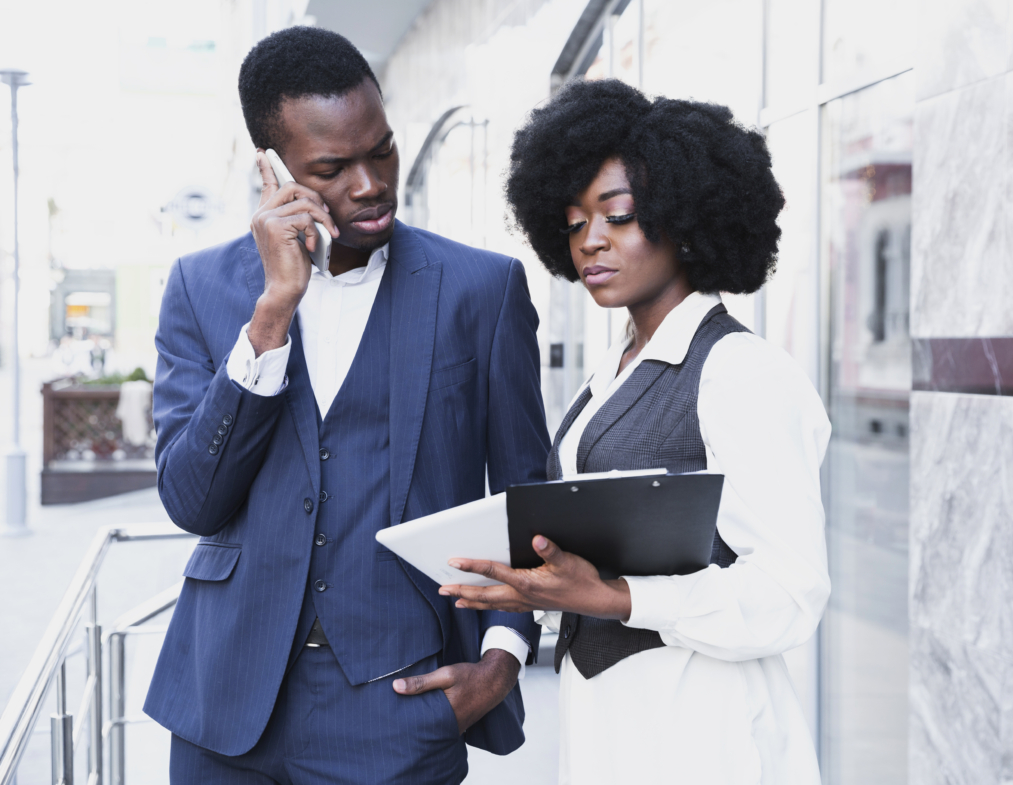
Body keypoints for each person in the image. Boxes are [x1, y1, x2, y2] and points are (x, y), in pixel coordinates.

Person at [144, 27, 550, 785]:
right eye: (332, 167)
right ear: (273, 170)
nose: (370, 184)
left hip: (396, 703)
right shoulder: (200, 288)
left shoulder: (481, 290)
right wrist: (271, 315)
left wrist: (503, 655)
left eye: (383, 151)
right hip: (224, 705)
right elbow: (192, 499)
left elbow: (528, 494)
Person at [441, 78, 832, 784]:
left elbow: (790, 593)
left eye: (617, 216)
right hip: (610, 723)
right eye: (573, 223)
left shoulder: (739, 372)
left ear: (685, 216)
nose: (591, 240)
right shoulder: (612, 374)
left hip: (703, 728)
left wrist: (615, 595)